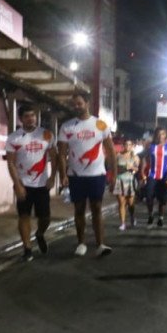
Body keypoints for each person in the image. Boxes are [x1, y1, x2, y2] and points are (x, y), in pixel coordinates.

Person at [57, 91, 116, 257]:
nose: (76, 107)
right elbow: (61, 153)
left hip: (97, 175)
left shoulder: (100, 125)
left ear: (87, 103)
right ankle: (81, 243)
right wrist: (63, 174)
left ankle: (100, 244)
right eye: (74, 104)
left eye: (79, 103)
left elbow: (111, 151)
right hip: (76, 175)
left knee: (97, 208)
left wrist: (114, 175)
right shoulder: (67, 126)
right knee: (79, 210)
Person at [5, 104, 56, 262]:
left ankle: (40, 234)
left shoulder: (46, 135)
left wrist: (53, 177)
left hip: (42, 184)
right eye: (27, 116)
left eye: (33, 115)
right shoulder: (14, 138)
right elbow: (11, 163)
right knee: (24, 216)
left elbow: (54, 157)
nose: (31, 119)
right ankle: (27, 248)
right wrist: (17, 185)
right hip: (23, 184)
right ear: (21, 119)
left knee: (45, 218)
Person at [141, 127, 167, 227]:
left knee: (162, 200)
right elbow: (145, 159)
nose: (160, 136)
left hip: (164, 176)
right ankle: (150, 215)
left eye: (163, 134)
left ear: (166, 135)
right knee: (149, 196)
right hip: (152, 175)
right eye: (158, 134)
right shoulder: (150, 146)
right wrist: (142, 171)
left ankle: (161, 217)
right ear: (155, 135)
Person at [115, 139, 140, 230]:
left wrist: (131, 167)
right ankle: (122, 223)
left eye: (130, 145)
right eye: (126, 144)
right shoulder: (118, 155)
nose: (128, 146)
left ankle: (132, 217)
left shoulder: (135, 157)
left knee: (130, 203)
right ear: (123, 145)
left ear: (132, 146)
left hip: (130, 180)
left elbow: (137, 169)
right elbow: (113, 168)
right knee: (121, 203)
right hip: (119, 180)